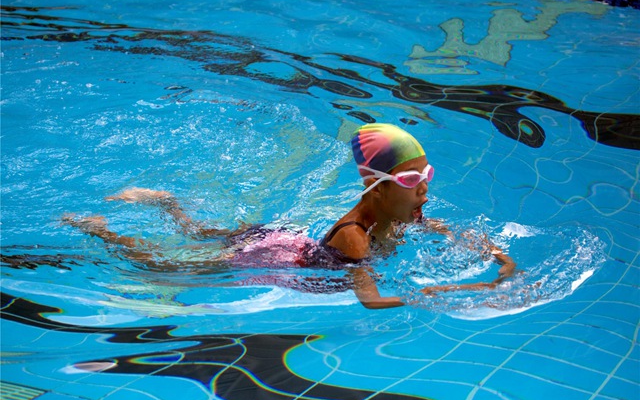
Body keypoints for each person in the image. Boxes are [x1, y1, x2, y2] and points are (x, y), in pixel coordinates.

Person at [64, 123, 516, 309]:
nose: (423, 188)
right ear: (376, 188)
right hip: (269, 258)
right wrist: (462, 291)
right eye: (410, 179)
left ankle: (168, 204)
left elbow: (454, 232)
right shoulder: (354, 237)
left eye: (426, 175)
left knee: (205, 232)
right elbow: (372, 300)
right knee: (164, 269)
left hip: (285, 239)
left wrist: (499, 257)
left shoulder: (404, 213)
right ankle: (102, 231)